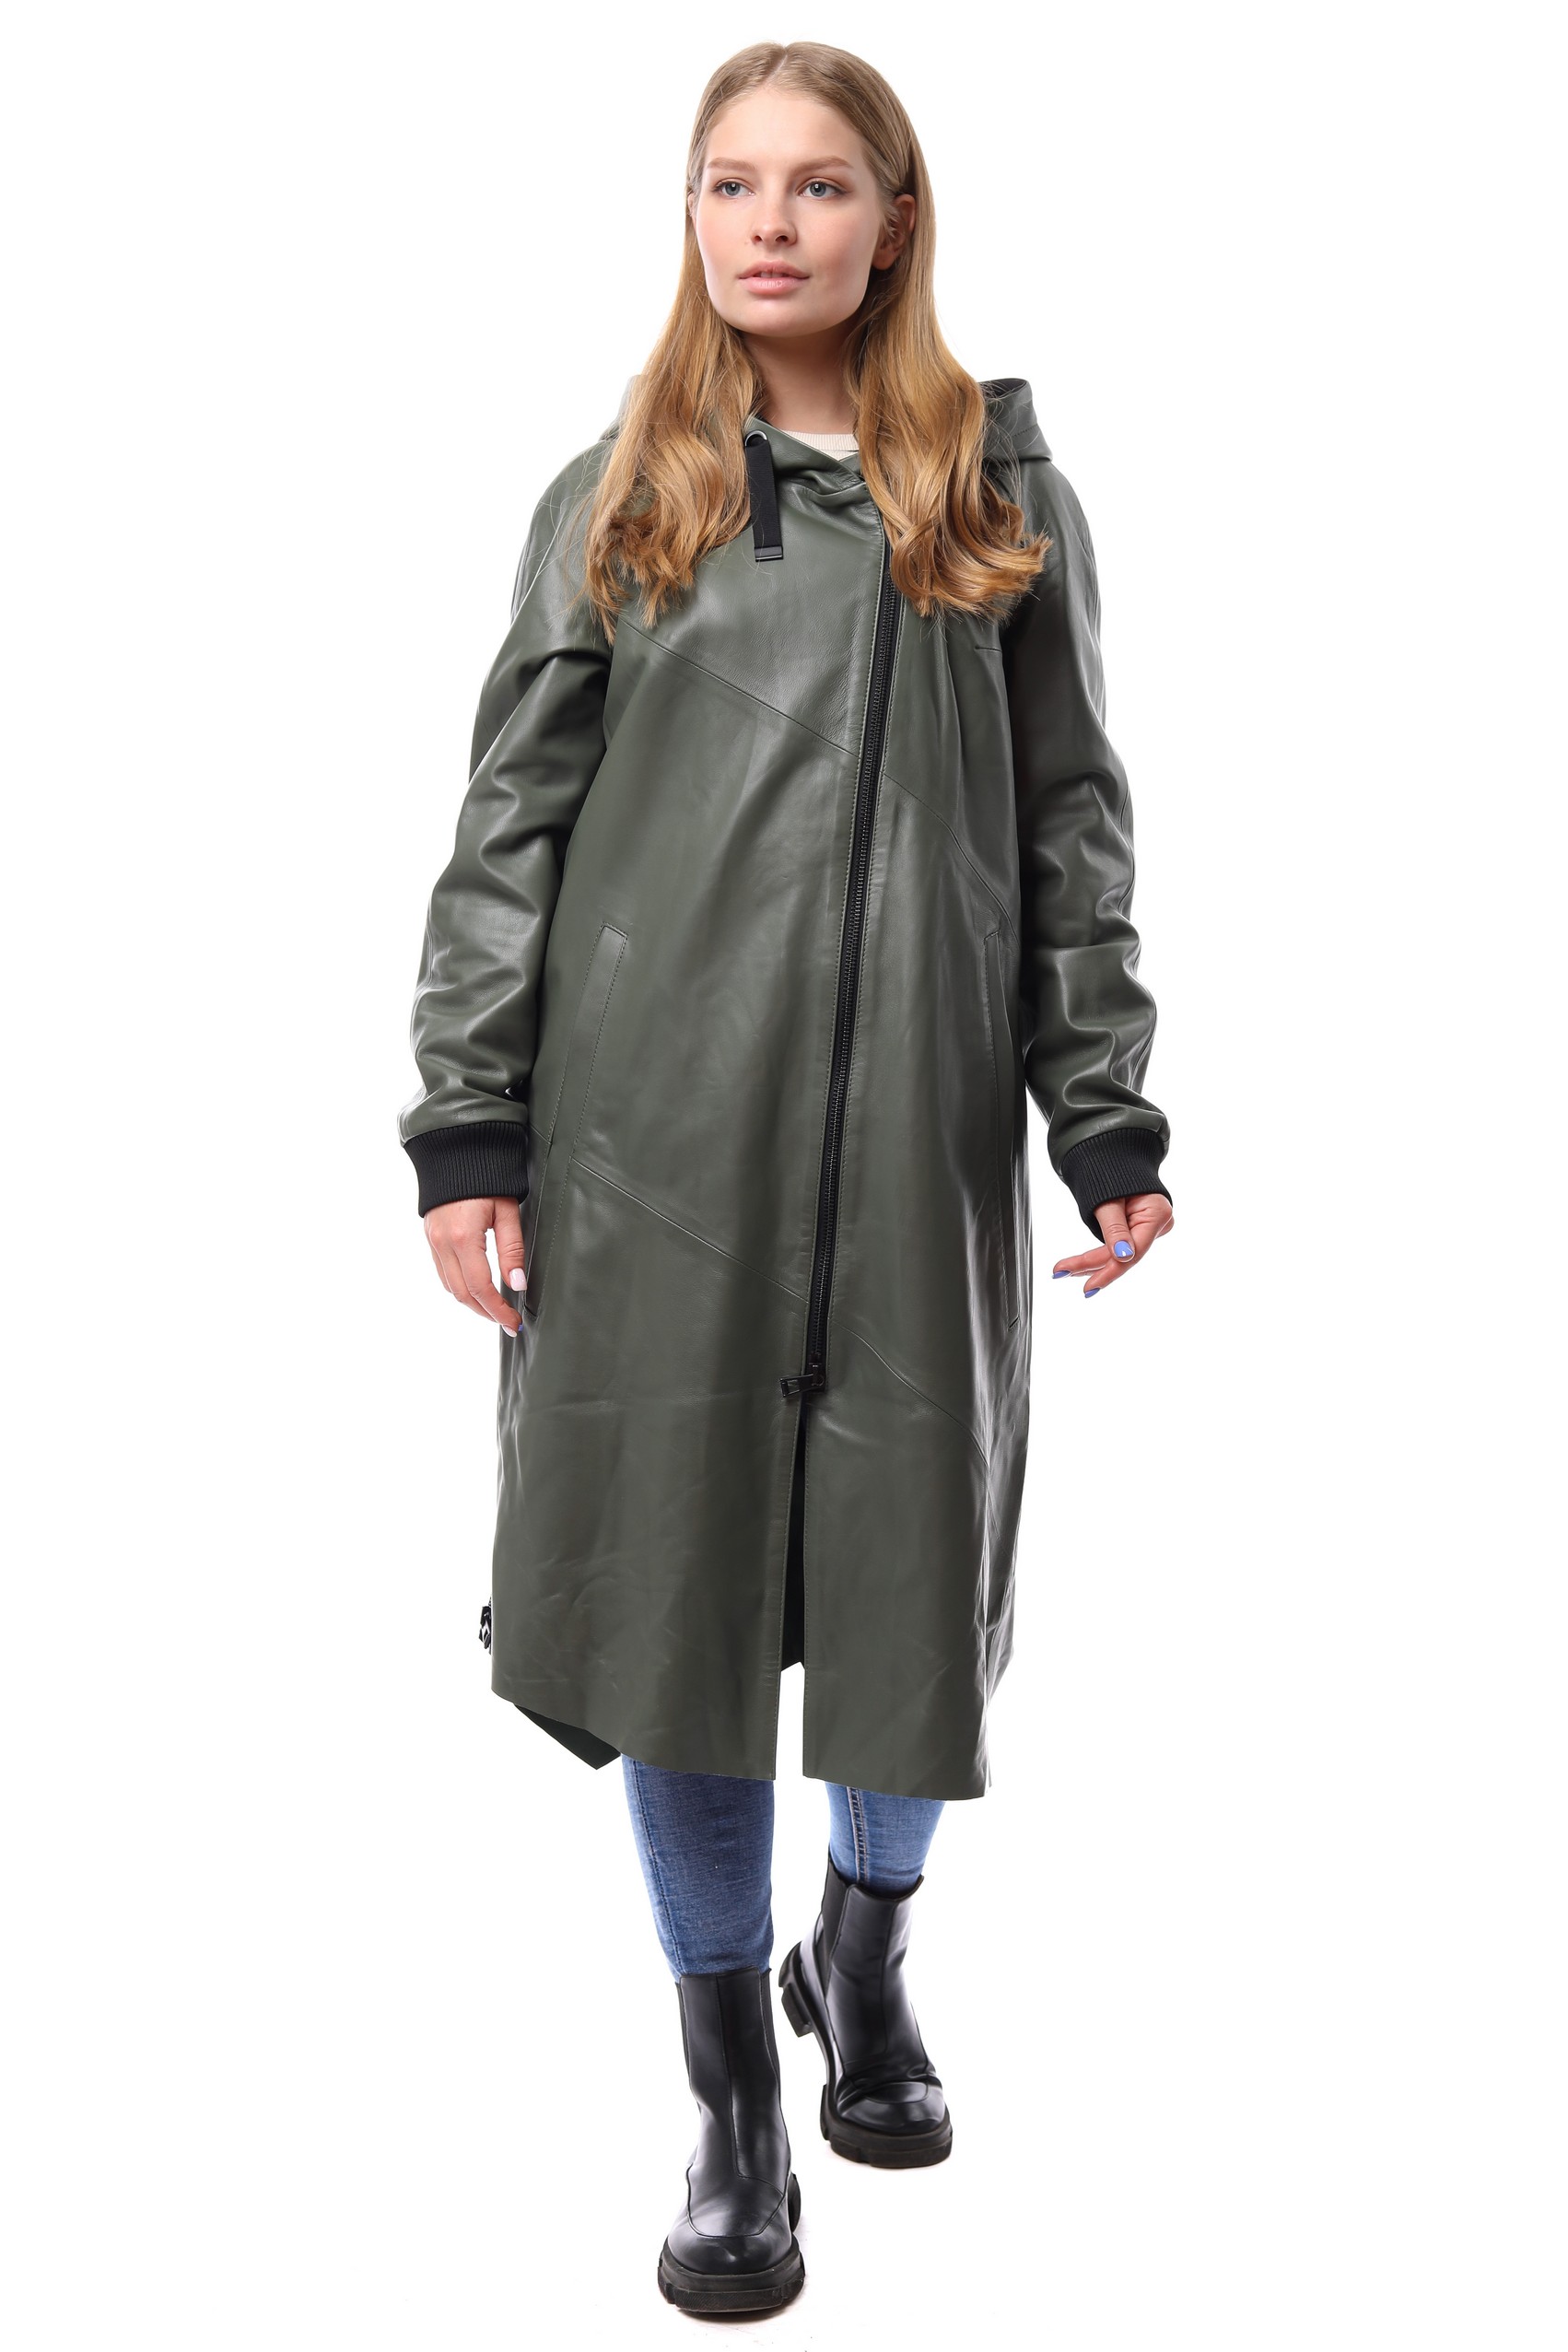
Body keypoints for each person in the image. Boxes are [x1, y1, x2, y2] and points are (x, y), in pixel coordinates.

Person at [399, 40, 1175, 2318]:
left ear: (889, 219)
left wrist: (1101, 1106)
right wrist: (466, 1126)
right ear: (689, 215)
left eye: (817, 185)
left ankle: (870, 1933)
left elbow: (1067, 828)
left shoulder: (993, 499)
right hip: (648, 1158)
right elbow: (507, 832)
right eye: (729, 182)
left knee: (906, 1598)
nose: (769, 223)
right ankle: (732, 2078)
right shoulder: (620, 493)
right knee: (679, 1611)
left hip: (917, 1150)